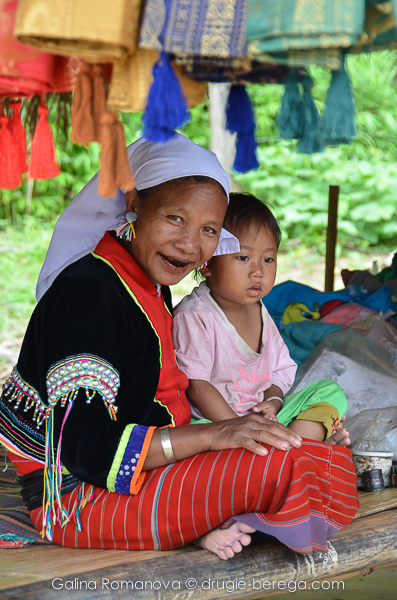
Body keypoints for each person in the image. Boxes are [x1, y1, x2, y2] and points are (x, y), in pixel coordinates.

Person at [0, 134, 358, 561]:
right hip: (77, 497)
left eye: (208, 230)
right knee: (294, 465)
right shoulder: (90, 293)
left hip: (140, 470)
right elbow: (85, 449)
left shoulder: (143, 280)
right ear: (134, 202)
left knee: (304, 455)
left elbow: (152, 403)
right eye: (174, 218)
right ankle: (228, 517)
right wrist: (213, 434)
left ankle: (223, 518)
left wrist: (238, 435)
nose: (190, 245)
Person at [173, 193, 349, 445]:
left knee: (330, 392)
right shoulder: (196, 316)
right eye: (243, 258)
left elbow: (279, 369)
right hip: (218, 427)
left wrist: (274, 402)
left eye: (268, 259)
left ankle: (295, 447)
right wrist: (238, 428)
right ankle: (302, 449)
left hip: (263, 422)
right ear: (207, 263)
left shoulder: (259, 309)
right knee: (194, 432)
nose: (258, 271)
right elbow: (197, 386)